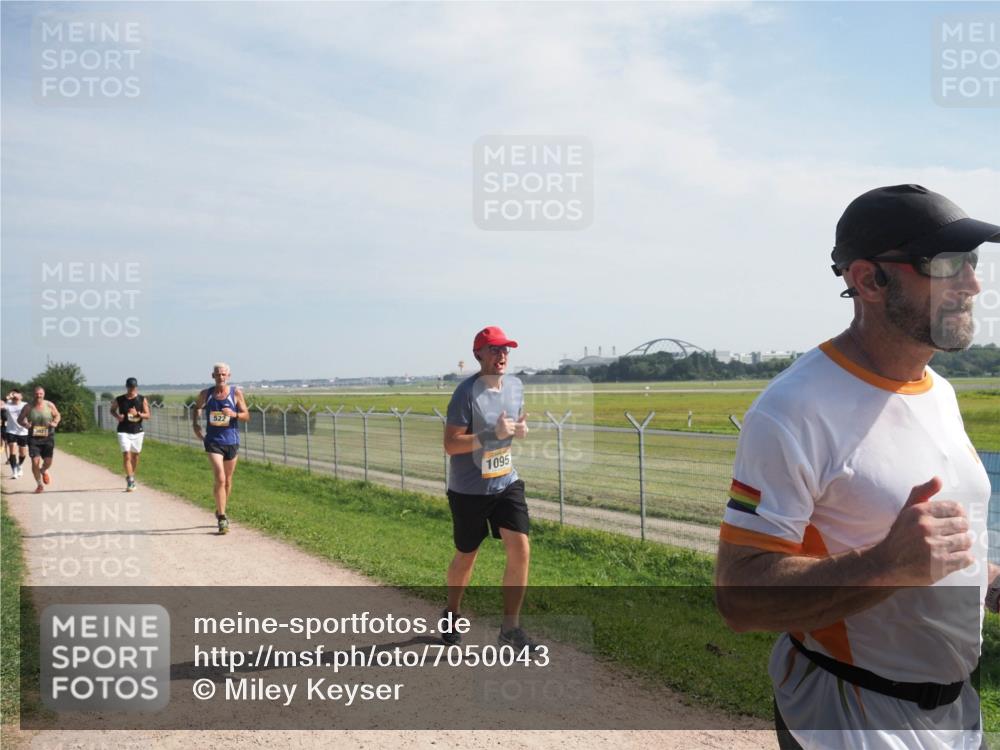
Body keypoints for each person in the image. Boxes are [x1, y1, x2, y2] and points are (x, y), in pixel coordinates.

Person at [714, 184, 1000, 750]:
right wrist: (887, 564)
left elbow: (925, 552)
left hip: (954, 713)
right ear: (869, 280)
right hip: (848, 716)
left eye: (972, 261)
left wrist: (986, 580)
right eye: (946, 264)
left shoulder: (938, 392)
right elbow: (739, 595)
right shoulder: (793, 409)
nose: (972, 283)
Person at [441, 326, 537, 651]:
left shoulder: (514, 386)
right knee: (466, 557)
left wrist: (517, 431)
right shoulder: (465, 393)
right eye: (494, 350)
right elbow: (451, 445)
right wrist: (489, 434)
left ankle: (510, 630)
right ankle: (452, 612)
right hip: (468, 490)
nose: (502, 355)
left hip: (505, 481)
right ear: (478, 354)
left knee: (521, 547)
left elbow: (506, 428)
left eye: (506, 349)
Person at [191, 363, 248, 535]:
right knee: (220, 478)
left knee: (228, 481)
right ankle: (222, 518)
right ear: (212, 376)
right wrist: (196, 424)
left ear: (228, 376)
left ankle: (220, 508)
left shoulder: (235, 393)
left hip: (231, 441)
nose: (220, 377)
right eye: (217, 375)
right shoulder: (206, 394)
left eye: (223, 374)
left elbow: (247, 415)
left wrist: (234, 414)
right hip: (213, 441)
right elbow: (197, 407)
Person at [18, 386, 61, 494]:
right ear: (34, 394)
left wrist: (55, 423)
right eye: (37, 393)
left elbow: (57, 415)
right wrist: (25, 424)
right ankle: (39, 485)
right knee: (35, 461)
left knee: (48, 462)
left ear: (44, 394)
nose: (38, 395)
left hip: (48, 437)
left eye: (40, 393)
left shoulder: (49, 405)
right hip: (33, 438)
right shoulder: (28, 407)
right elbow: (20, 419)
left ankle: (44, 470)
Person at [110, 377, 150, 491]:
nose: (131, 389)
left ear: (136, 387)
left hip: (137, 431)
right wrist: (118, 417)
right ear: (126, 387)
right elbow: (112, 410)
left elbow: (148, 415)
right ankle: (131, 481)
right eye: (129, 387)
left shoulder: (142, 399)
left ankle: (130, 475)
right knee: (126, 454)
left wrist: (138, 414)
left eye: (133, 387)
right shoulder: (120, 399)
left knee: (135, 456)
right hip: (123, 430)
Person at [4, 390, 29, 479]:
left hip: (23, 431)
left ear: (21, 396)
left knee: (23, 453)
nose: (14, 395)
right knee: (12, 451)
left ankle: (19, 465)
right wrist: (6, 398)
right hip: (11, 431)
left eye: (16, 393)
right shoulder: (7, 404)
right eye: (12, 393)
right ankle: (14, 471)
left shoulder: (25, 404)